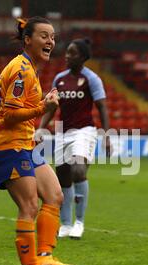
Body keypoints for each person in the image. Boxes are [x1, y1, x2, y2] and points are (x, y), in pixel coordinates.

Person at [0, 17, 76, 265]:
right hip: (7, 145)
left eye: (53, 37)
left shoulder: (29, 70)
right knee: (29, 207)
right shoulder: (21, 69)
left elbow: (26, 110)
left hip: (23, 144)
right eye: (44, 36)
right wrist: (41, 108)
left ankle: (45, 260)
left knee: (54, 195)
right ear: (28, 40)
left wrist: (45, 105)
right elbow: (7, 115)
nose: (51, 42)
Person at [37, 38, 111, 239]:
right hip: (62, 132)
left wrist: (106, 135)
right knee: (62, 178)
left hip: (84, 131)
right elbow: (52, 106)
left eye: (72, 53)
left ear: (83, 57)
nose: (67, 56)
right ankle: (66, 224)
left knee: (78, 170)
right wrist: (41, 128)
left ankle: (79, 222)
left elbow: (102, 107)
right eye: (67, 52)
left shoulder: (91, 79)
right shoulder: (59, 79)